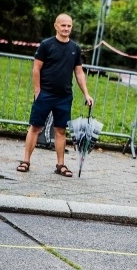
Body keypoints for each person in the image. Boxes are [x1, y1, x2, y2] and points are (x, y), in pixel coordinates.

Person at [17, 14, 94, 177]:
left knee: (60, 130)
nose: (66, 28)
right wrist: (37, 91)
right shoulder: (46, 45)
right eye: (63, 25)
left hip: (64, 96)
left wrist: (86, 94)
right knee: (35, 127)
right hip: (45, 94)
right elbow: (36, 68)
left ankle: (60, 165)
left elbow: (79, 73)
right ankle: (25, 161)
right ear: (56, 26)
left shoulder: (75, 48)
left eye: (69, 26)